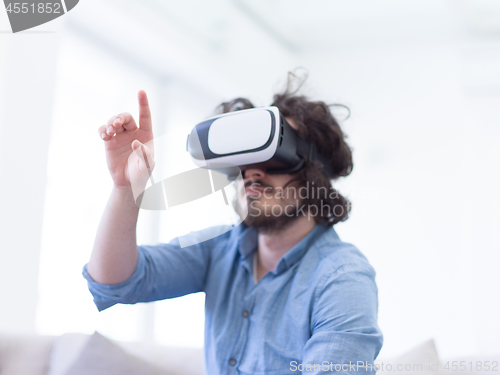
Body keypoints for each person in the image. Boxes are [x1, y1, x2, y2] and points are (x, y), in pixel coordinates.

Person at [84, 79, 383, 374]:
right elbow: (114, 282)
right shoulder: (220, 249)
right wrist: (125, 187)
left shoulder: (342, 280)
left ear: (316, 175)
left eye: (275, 156)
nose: (252, 172)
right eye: (245, 159)